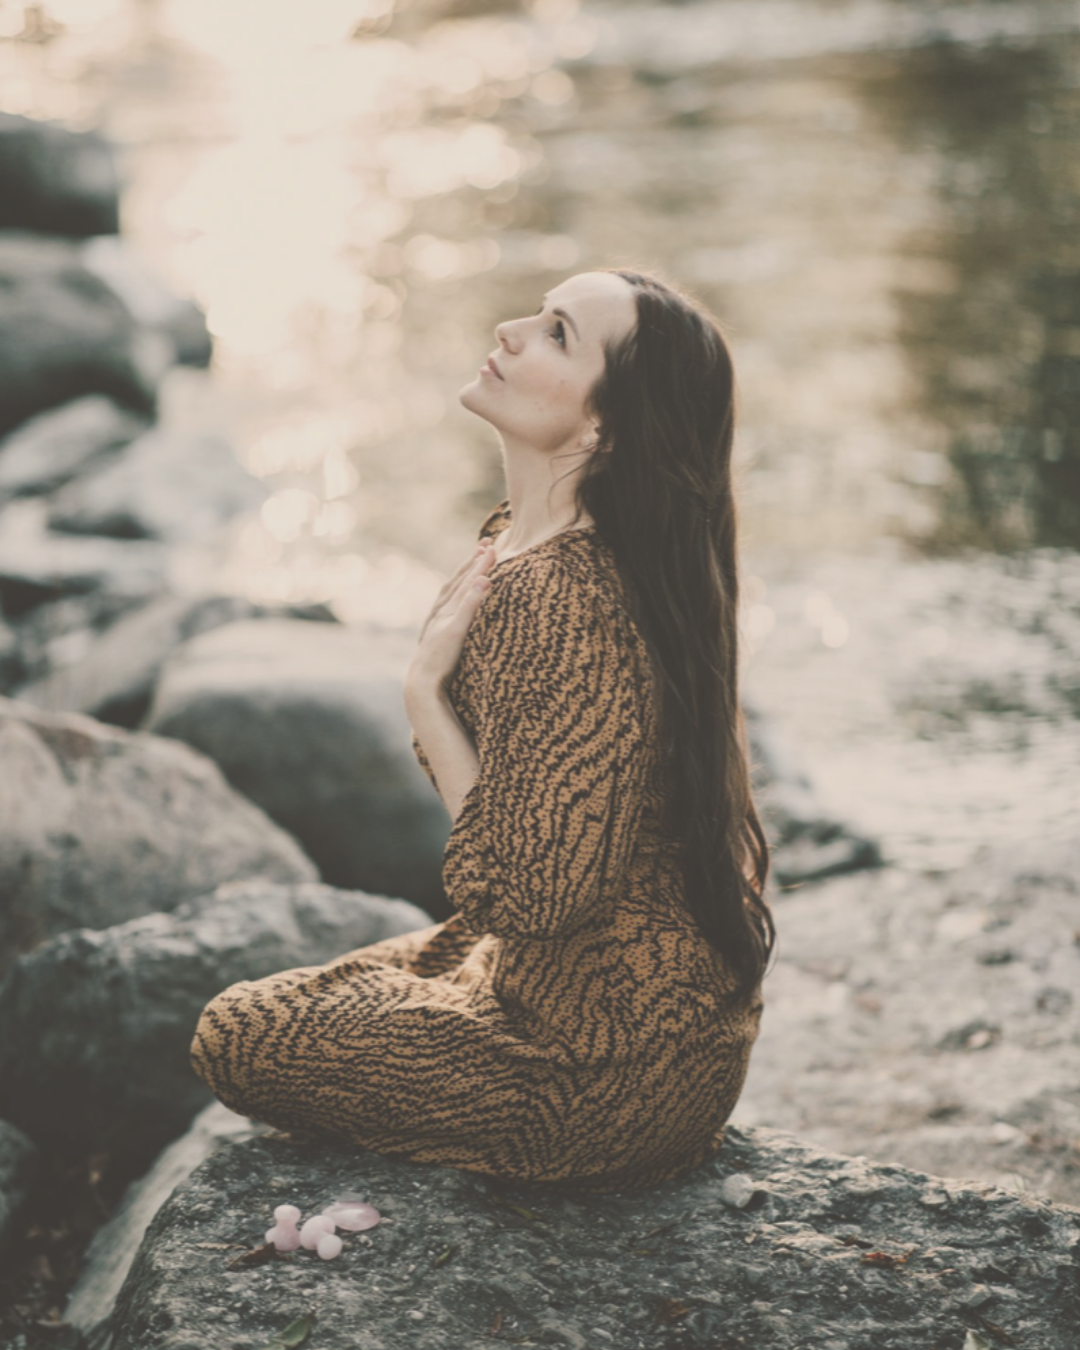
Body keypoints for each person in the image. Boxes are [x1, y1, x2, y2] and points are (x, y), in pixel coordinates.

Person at [190, 269, 775, 1193]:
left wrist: (425, 691)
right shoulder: (524, 541)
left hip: (601, 1070)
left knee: (240, 1032)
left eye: (554, 334)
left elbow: (538, 898)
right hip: (609, 998)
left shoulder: (560, 599)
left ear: (606, 426)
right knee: (337, 983)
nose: (507, 330)